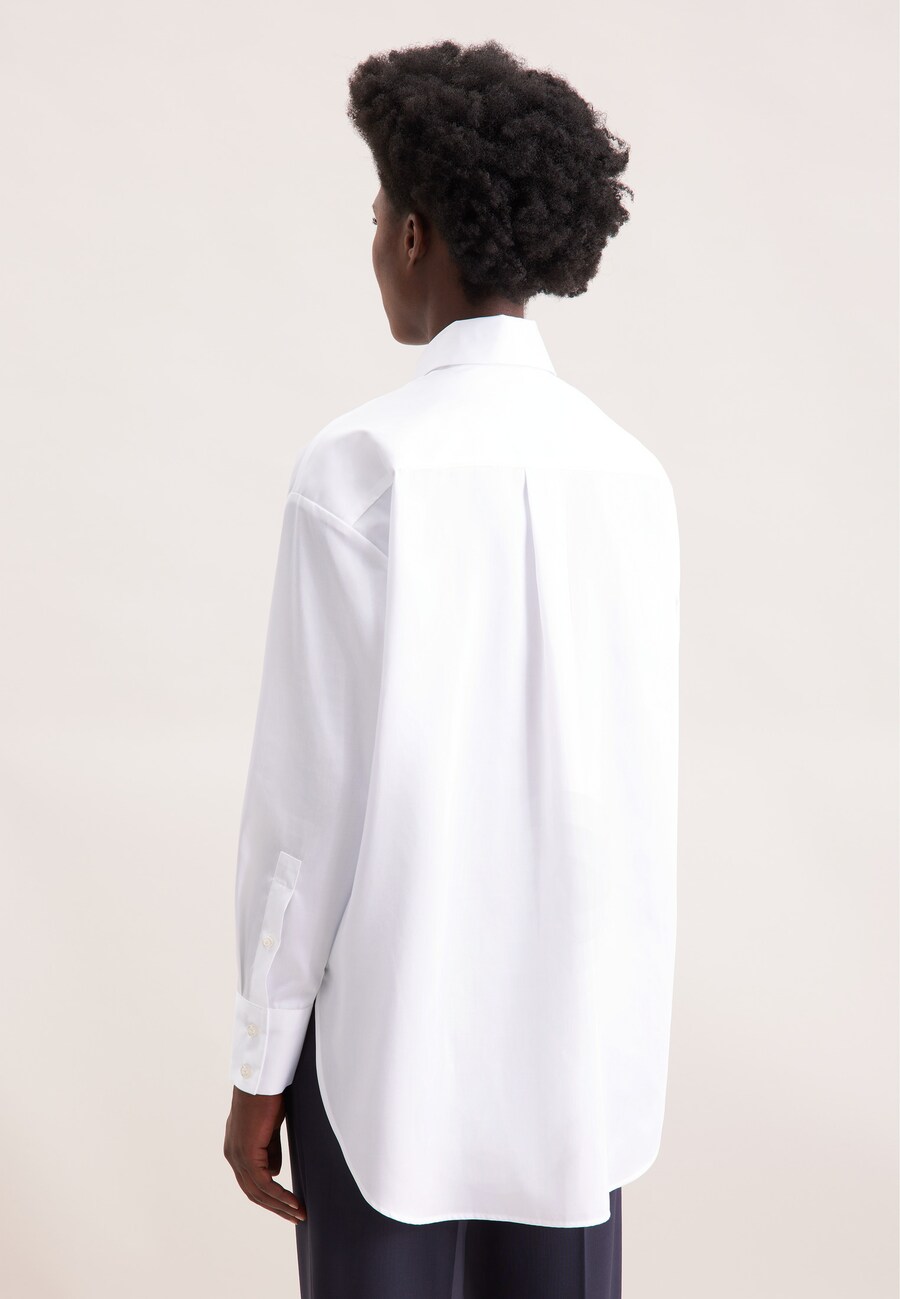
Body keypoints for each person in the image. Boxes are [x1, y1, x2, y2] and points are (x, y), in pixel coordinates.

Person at [223, 37, 680, 1299]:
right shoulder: (630, 476)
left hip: (389, 1040)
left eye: (379, 217)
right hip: (578, 1054)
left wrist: (260, 1060)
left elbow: (306, 809)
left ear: (417, 234)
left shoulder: (360, 467)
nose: (376, 244)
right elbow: (637, 789)